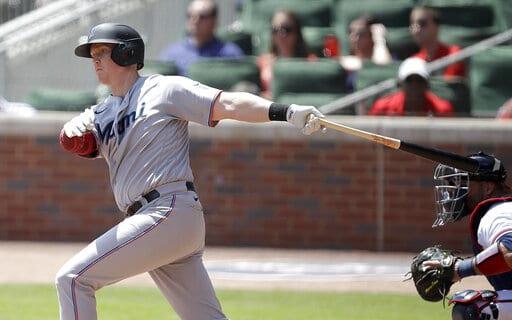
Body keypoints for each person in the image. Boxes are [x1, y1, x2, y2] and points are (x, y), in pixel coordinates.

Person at [55, 22, 324, 320]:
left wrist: (284, 112)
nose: (95, 59)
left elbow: (230, 104)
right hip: (158, 220)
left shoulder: (164, 89)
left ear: (127, 53)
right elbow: (82, 144)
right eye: (93, 53)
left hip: (166, 211)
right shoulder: (101, 111)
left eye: (103, 51)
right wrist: (70, 133)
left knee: (73, 279)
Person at [428, 152, 512, 319]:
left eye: (462, 182)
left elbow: (509, 252)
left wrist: (460, 270)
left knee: (471, 308)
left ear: (488, 187)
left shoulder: (497, 213)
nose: (454, 190)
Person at [159, 0, 244, 76]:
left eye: (202, 16)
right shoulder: (172, 54)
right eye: (190, 15)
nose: (195, 20)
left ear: (214, 21)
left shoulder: (230, 54)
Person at [257, 10, 316, 99]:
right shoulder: (263, 62)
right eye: (275, 30)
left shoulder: (310, 62)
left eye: (287, 29)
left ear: (297, 32)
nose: (281, 35)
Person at [368, 57, 453, 116]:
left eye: (419, 80)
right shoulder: (382, 109)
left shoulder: (442, 110)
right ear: (400, 84)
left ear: (427, 85)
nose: (414, 86)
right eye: (409, 80)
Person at [409, 6, 466, 80]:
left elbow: (447, 88)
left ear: (436, 26)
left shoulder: (453, 54)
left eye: (422, 23)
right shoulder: (414, 61)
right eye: (413, 24)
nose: (416, 30)